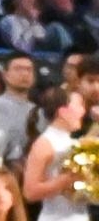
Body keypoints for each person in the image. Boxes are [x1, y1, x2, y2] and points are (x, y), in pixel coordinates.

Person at [22, 86, 86, 221]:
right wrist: (66, 179)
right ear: (63, 112)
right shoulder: (44, 144)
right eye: (79, 106)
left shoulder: (74, 142)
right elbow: (30, 192)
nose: (83, 111)